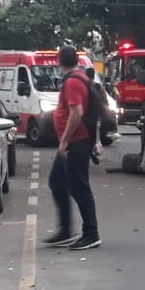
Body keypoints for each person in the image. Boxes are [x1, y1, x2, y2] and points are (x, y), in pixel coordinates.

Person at [43, 46, 102, 250]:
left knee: (79, 187)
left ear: (59, 62)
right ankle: (66, 230)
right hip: (76, 141)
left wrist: (65, 141)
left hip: (75, 142)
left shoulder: (72, 82)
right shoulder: (80, 77)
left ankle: (91, 234)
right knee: (57, 182)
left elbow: (77, 112)